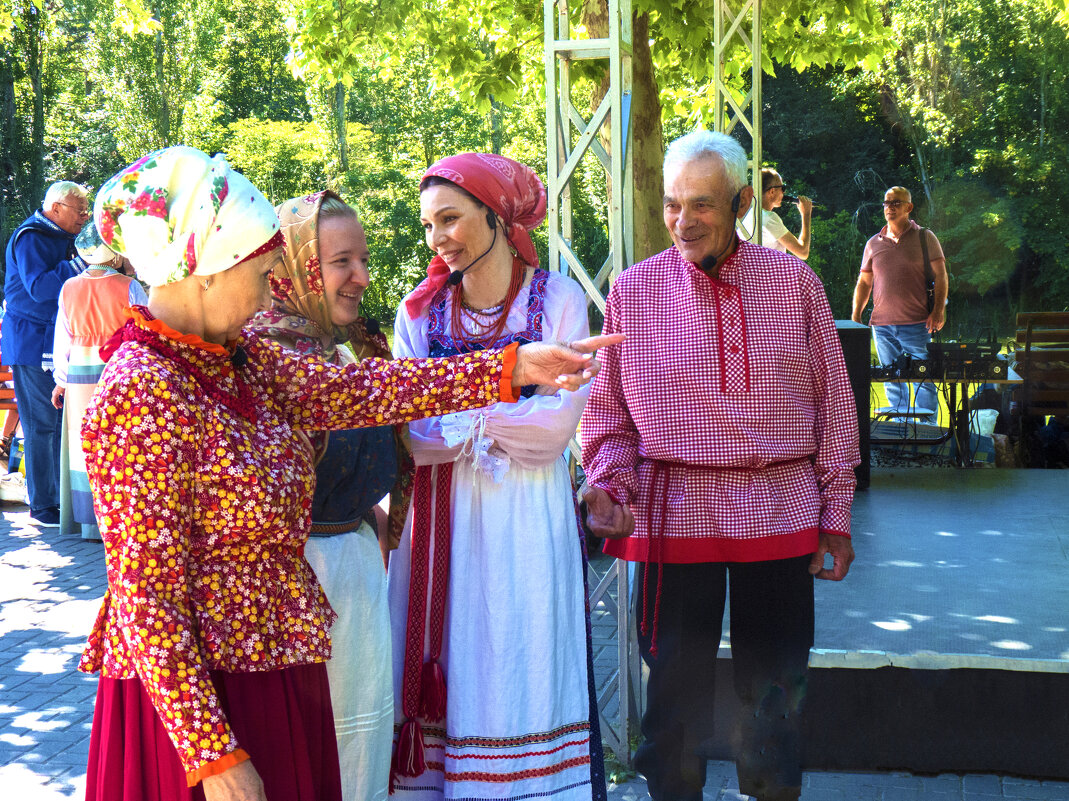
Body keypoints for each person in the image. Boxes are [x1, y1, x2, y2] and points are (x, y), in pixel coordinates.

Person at [77, 146, 618, 801]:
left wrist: (512, 367)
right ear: (206, 271)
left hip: (271, 666)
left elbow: (361, 391)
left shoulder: (238, 359)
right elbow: (146, 597)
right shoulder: (142, 391)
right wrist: (213, 754)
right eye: (262, 272)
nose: (271, 290)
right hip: (204, 703)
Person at [580, 131, 859, 801]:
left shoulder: (795, 283)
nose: (682, 221)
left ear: (740, 203)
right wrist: (610, 483)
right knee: (673, 695)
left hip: (780, 506)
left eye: (701, 204)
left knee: (774, 688)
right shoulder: (632, 290)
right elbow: (609, 414)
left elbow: (835, 404)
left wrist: (836, 513)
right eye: (672, 204)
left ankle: (772, 793)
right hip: (674, 512)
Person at [387, 153, 607, 801]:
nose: (438, 238)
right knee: (451, 659)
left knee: (517, 648)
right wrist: (502, 408)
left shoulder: (558, 299)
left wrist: (457, 417)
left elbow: (552, 432)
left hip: (526, 521)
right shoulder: (418, 313)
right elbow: (408, 432)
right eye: (429, 225)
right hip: (441, 524)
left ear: (494, 216)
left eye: (450, 218)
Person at [248, 190, 411, 801]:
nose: (361, 277)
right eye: (342, 261)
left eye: (363, 259)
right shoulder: (260, 356)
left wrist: (364, 510)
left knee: (358, 749)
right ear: (294, 265)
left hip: (355, 573)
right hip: (294, 584)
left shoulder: (341, 350)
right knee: (310, 756)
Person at [52, 223, 147, 539]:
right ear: (114, 253)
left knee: (85, 443)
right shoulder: (128, 286)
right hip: (120, 369)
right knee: (120, 442)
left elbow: (62, 339)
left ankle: (90, 524)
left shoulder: (69, 287)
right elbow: (148, 328)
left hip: (79, 373)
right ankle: (120, 518)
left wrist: (61, 381)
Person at [2, 180, 87, 526]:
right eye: (79, 210)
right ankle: (43, 505)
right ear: (56, 209)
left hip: (58, 343)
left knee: (61, 424)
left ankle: (63, 499)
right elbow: (40, 288)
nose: (84, 217)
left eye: (86, 211)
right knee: (41, 425)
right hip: (32, 343)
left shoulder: (63, 237)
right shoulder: (31, 237)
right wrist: (81, 264)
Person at [851, 186, 948, 423]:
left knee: (923, 379)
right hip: (882, 325)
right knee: (891, 379)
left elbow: (941, 275)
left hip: (918, 323)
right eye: (886, 203)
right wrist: (856, 316)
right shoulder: (873, 243)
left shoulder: (925, 237)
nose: (890, 207)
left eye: (896, 203)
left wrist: (938, 310)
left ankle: (927, 431)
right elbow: (864, 282)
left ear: (909, 207)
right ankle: (899, 429)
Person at [758, 168, 812, 259]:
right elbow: (803, 252)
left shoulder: (749, 214)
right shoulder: (769, 218)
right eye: (782, 188)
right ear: (772, 191)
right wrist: (806, 214)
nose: (784, 192)